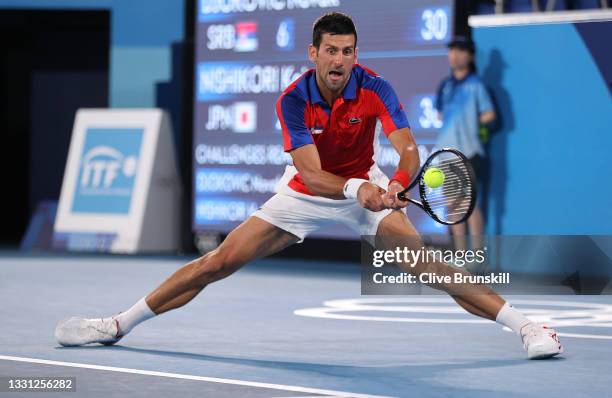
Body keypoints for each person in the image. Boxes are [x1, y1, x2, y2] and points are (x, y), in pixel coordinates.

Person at [55, 13, 562, 360]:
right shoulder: (294, 99)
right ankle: (117, 324)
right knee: (217, 263)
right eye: (331, 52)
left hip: (366, 190)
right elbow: (314, 173)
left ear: (355, 53)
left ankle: (529, 327)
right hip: (307, 193)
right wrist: (355, 191)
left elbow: (407, 149)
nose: (340, 61)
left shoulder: (377, 87)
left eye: (348, 51)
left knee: (427, 265)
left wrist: (396, 184)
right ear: (314, 52)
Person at [435, 36, 495, 254]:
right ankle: (460, 256)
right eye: (452, 50)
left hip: (469, 153)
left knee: (469, 204)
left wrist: (473, 124)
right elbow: (441, 113)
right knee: (452, 205)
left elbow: (489, 114)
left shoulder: (476, 85)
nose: (454, 55)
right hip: (446, 154)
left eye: (460, 50)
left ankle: (478, 255)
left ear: (469, 56)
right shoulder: (445, 85)